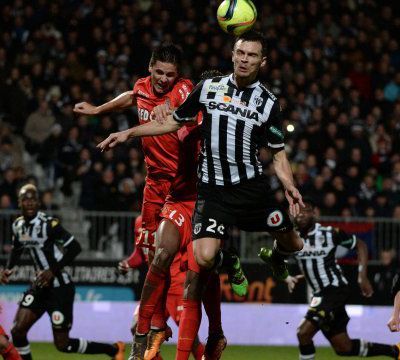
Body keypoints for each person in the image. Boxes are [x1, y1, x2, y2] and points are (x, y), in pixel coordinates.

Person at [98, 31, 304, 360]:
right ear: (233, 54)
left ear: (261, 62)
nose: (245, 59)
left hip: (251, 190)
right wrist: (127, 132)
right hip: (212, 194)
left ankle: (276, 257)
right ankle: (221, 267)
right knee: (204, 258)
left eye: (252, 55)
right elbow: (167, 119)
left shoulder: (268, 102)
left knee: (295, 243)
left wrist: (290, 185)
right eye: (240, 53)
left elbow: (278, 154)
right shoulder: (208, 89)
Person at [99, 69, 240, 360]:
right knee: (161, 254)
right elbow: (149, 110)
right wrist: (128, 131)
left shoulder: (228, 124)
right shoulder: (185, 113)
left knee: (198, 279)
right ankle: (144, 333)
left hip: (208, 204)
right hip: (178, 200)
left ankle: (214, 333)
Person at [0, 184, 125, 360]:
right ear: (19, 203)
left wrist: (52, 270)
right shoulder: (18, 226)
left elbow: (75, 247)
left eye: (32, 200)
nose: (29, 203)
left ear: (38, 203)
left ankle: (113, 349)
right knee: (17, 331)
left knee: (63, 345)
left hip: (60, 288)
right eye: (25, 200)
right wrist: (8, 269)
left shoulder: (49, 225)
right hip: (39, 287)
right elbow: (17, 248)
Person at [273, 198, 400, 359]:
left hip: (334, 290)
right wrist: (290, 277)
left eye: (305, 211)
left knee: (303, 333)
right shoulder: (292, 239)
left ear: (314, 214)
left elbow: (360, 245)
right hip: (320, 294)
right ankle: (394, 351)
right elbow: (281, 259)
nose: (300, 215)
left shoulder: (329, 233)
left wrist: (362, 276)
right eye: (297, 212)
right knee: (343, 347)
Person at [118, 215, 204, 360]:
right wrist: (128, 263)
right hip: (157, 286)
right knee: (136, 327)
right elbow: (140, 253)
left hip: (177, 285)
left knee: (191, 339)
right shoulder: (140, 221)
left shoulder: (173, 218)